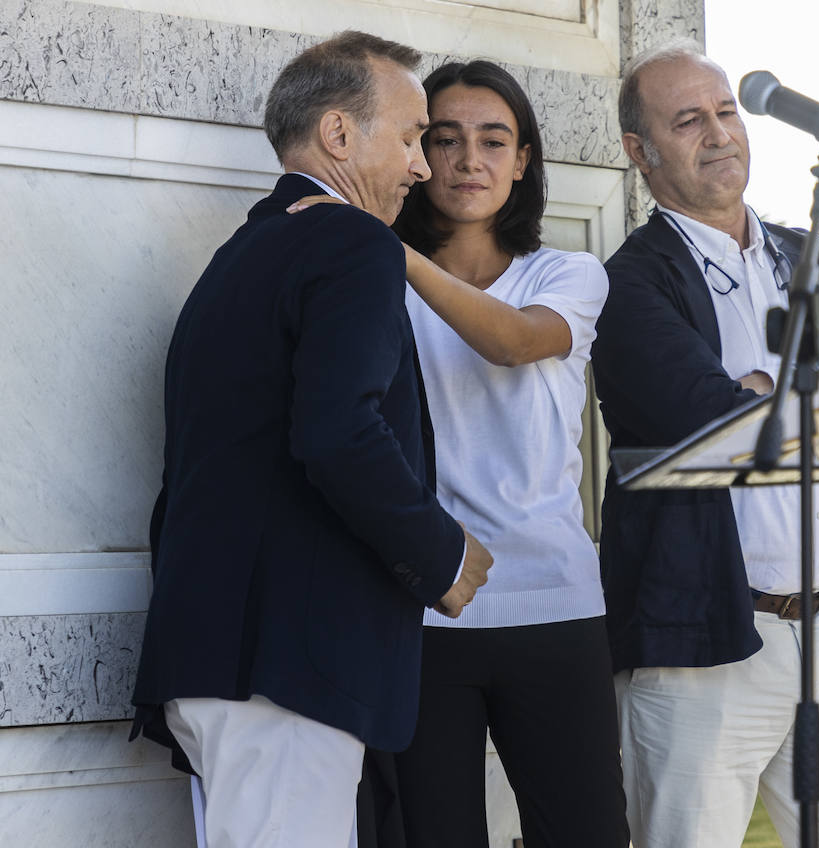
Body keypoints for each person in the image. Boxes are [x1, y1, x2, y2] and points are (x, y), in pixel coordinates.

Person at [129, 32, 494, 848]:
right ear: (338, 134)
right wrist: (439, 553)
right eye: (409, 137)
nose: (423, 168)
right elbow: (339, 434)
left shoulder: (242, 253)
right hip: (289, 667)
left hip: (222, 659)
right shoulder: (351, 241)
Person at [298, 59, 629, 847]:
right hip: (424, 610)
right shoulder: (365, 282)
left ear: (523, 162)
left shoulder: (568, 273)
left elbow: (513, 342)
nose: (468, 160)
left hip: (556, 605)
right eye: (443, 139)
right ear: (418, 155)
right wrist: (375, 254)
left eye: (493, 140)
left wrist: (383, 247)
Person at [591, 40, 819, 848]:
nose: (719, 132)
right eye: (688, 119)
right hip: (701, 646)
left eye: (726, 111)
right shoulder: (627, 283)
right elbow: (712, 417)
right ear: (640, 152)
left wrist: (788, 389)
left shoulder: (816, 256)